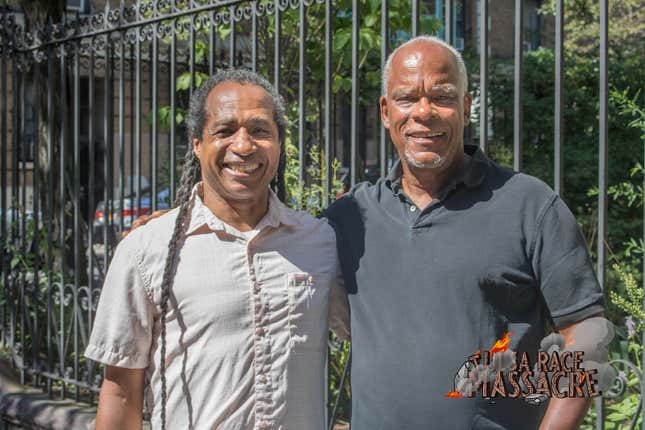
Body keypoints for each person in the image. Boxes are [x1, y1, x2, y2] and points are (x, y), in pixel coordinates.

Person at [322, 35, 604, 429]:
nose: (424, 111)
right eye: (407, 98)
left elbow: (585, 335)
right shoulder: (350, 217)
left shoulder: (530, 206)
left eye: (442, 96)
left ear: (466, 107)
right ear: (386, 112)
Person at [85, 69, 348, 430]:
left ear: (279, 142)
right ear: (197, 143)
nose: (243, 146)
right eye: (225, 131)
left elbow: (378, 332)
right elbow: (120, 392)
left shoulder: (320, 243)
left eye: (259, 130)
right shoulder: (147, 250)